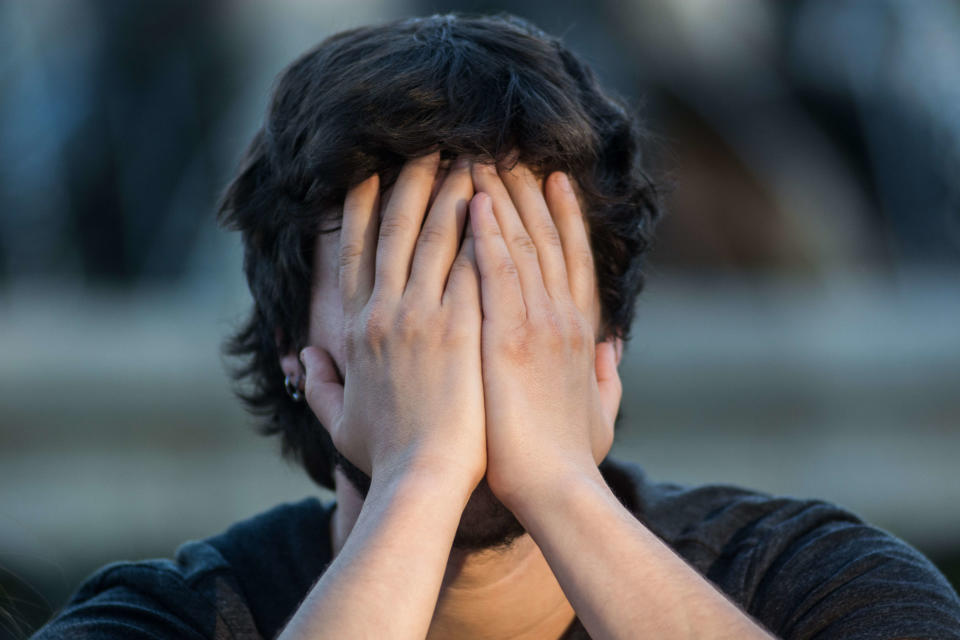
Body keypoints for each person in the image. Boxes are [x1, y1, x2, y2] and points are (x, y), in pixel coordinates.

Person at [33, 13, 960, 640]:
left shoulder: (814, 584)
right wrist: (420, 480)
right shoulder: (168, 616)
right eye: (404, 279)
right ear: (297, 353)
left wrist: (555, 480)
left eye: (516, 277)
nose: (464, 333)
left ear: (603, 345)